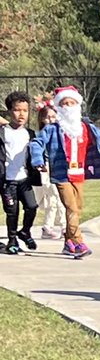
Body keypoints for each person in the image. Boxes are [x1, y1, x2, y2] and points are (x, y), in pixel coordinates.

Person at [28, 85, 100, 259]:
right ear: (59, 107)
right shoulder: (52, 129)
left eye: (72, 103)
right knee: (71, 207)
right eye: (64, 103)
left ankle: (68, 243)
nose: (68, 106)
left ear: (78, 106)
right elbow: (36, 143)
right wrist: (37, 160)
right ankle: (78, 242)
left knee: (77, 208)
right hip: (61, 175)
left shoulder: (86, 128)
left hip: (79, 174)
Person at [0, 90, 39, 254]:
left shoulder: (30, 134)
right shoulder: (3, 132)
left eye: (25, 110)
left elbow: (36, 153)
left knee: (32, 206)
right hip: (7, 181)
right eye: (17, 110)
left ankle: (25, 231)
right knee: (12, 212)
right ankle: (12, 240)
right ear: (9, 111)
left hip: (24, 179)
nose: (21, 114)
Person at [34, 100, 66, 239]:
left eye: (54, 117)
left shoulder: (59, 133)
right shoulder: (41, 134)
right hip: (45, 169)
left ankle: (48, 227)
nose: (51, 120)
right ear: (42, 118)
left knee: (54, 199)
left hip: (57, 167)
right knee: (56, 196)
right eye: (48, 117)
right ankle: (65, 227)